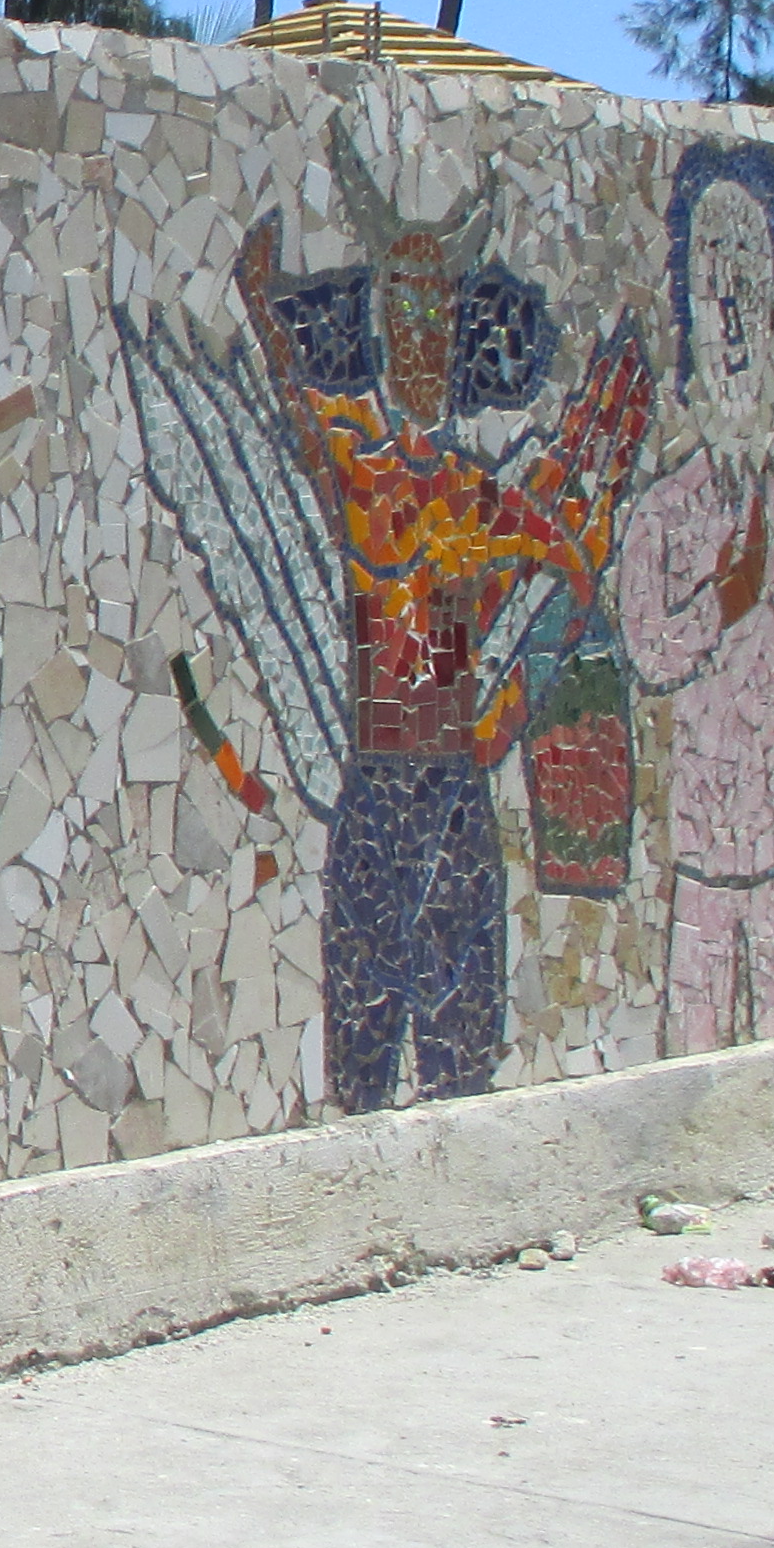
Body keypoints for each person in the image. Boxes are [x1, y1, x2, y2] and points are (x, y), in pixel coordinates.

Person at [243, 154, 650, 1111]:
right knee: (363, 1063)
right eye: (405, 314)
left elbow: (576, 577)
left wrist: (499, 718)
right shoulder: (363, 465)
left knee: (462, 1059)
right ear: (384, 325)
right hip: (378, 797)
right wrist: (261, 307)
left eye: (440, 317)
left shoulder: (484, 498)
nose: (422, 340)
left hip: (456, 795)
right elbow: (296, 409)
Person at [616, 145, 774, 1052]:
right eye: (717, 301)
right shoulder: (662, 514)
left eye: (751, 297)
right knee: (695, 1024)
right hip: (703, 846)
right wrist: (724, 606)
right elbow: (650, 651)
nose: (736, 336)